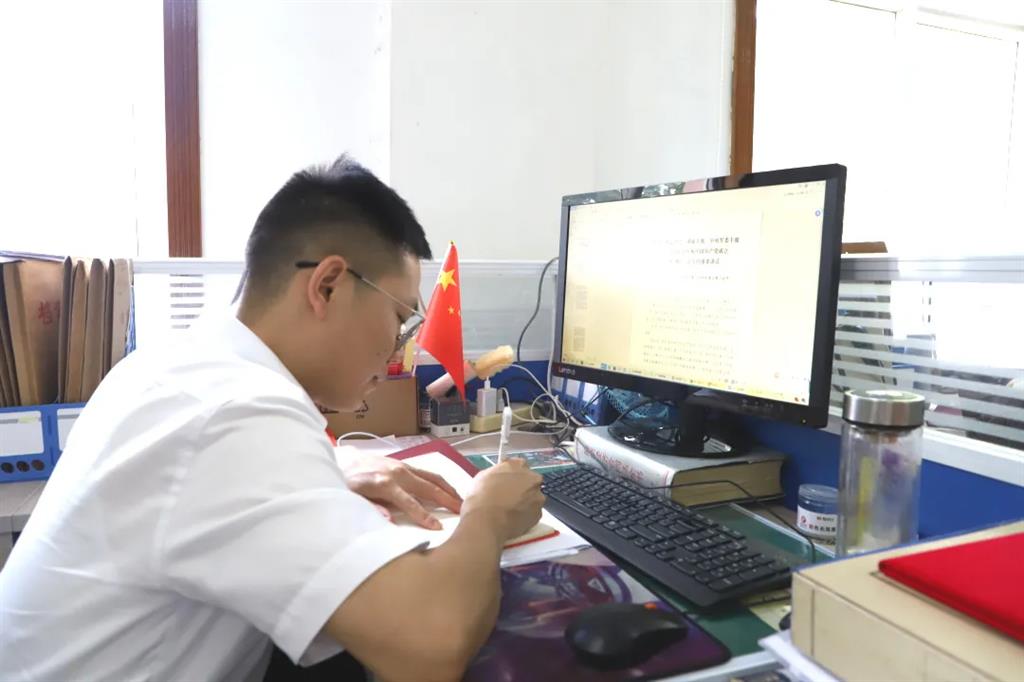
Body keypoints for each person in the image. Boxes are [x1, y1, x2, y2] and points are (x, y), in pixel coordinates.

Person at [0, 155, 545, 682]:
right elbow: (428, 647)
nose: (401, 346)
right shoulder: (233, 412)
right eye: (400, 318)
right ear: (327, 286)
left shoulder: (181, 364)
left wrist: (328, 471)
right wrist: (488, 513)